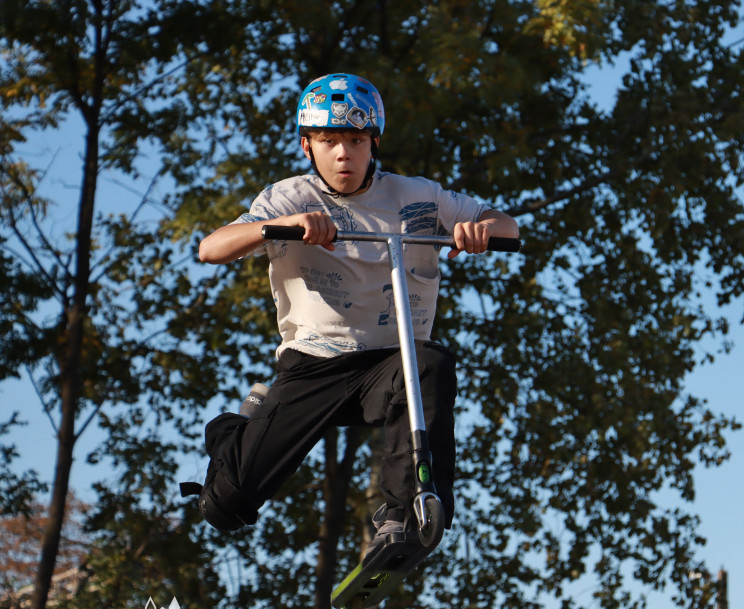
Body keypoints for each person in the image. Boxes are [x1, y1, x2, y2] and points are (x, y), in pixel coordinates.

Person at [185, 73, 519, 552]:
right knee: (226, 508)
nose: (344, 154)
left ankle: (407, 513)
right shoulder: (288, 198)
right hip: (312, 366)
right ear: (308, 146)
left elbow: (505, 223)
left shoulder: (417, 196)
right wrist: (282, 226)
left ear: (373, 142)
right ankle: (232, 430)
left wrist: (479, 230)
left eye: (356, 140)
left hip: (387, 363)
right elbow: (211, 248)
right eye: (329, 141)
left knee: (431, 363)